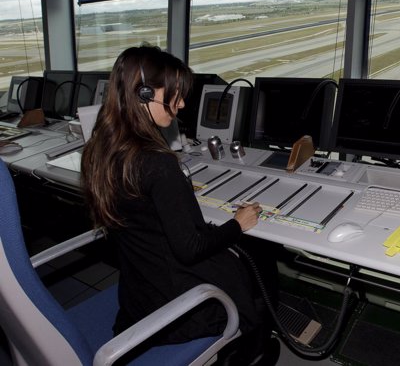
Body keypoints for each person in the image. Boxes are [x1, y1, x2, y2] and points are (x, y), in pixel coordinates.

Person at [81, 45, 279, 364]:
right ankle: (251, 349)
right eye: (174, 94)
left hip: (140, 292)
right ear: (145, 94)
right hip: (178, 306)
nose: (182, 103)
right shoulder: (155, 163)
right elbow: (191, 247)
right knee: (263, 258)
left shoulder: (98, 151)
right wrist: (238, 223)